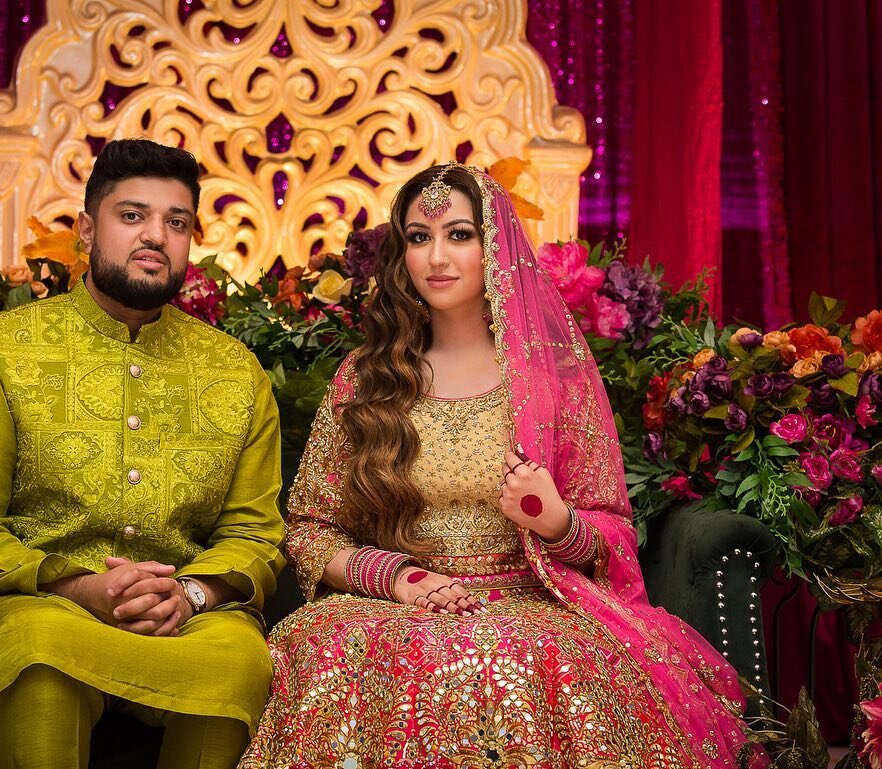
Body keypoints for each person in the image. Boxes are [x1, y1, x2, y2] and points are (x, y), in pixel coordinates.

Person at [239, 164, 759, 768]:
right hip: (396, 603)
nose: (437, 255)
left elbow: (611, 533)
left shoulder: (551, 381)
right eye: (417, 237)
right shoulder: (366, 377)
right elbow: (308, 528)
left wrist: (557, 522)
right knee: (327, 642)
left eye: (460, 234)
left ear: (497, 246)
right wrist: (402, 580)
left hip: (530, 600)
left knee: (517, 655)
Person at [0, 138, 285, 769]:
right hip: (32, 608)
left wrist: (191, 596)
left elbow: (255, 534)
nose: (155, 236)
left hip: (182, 621)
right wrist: (81, 587)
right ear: (88, 230)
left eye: (176, 223)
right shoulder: (3, 350)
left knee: (239, 659)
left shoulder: (235, 371)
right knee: (43, 649)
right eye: (132, 215)